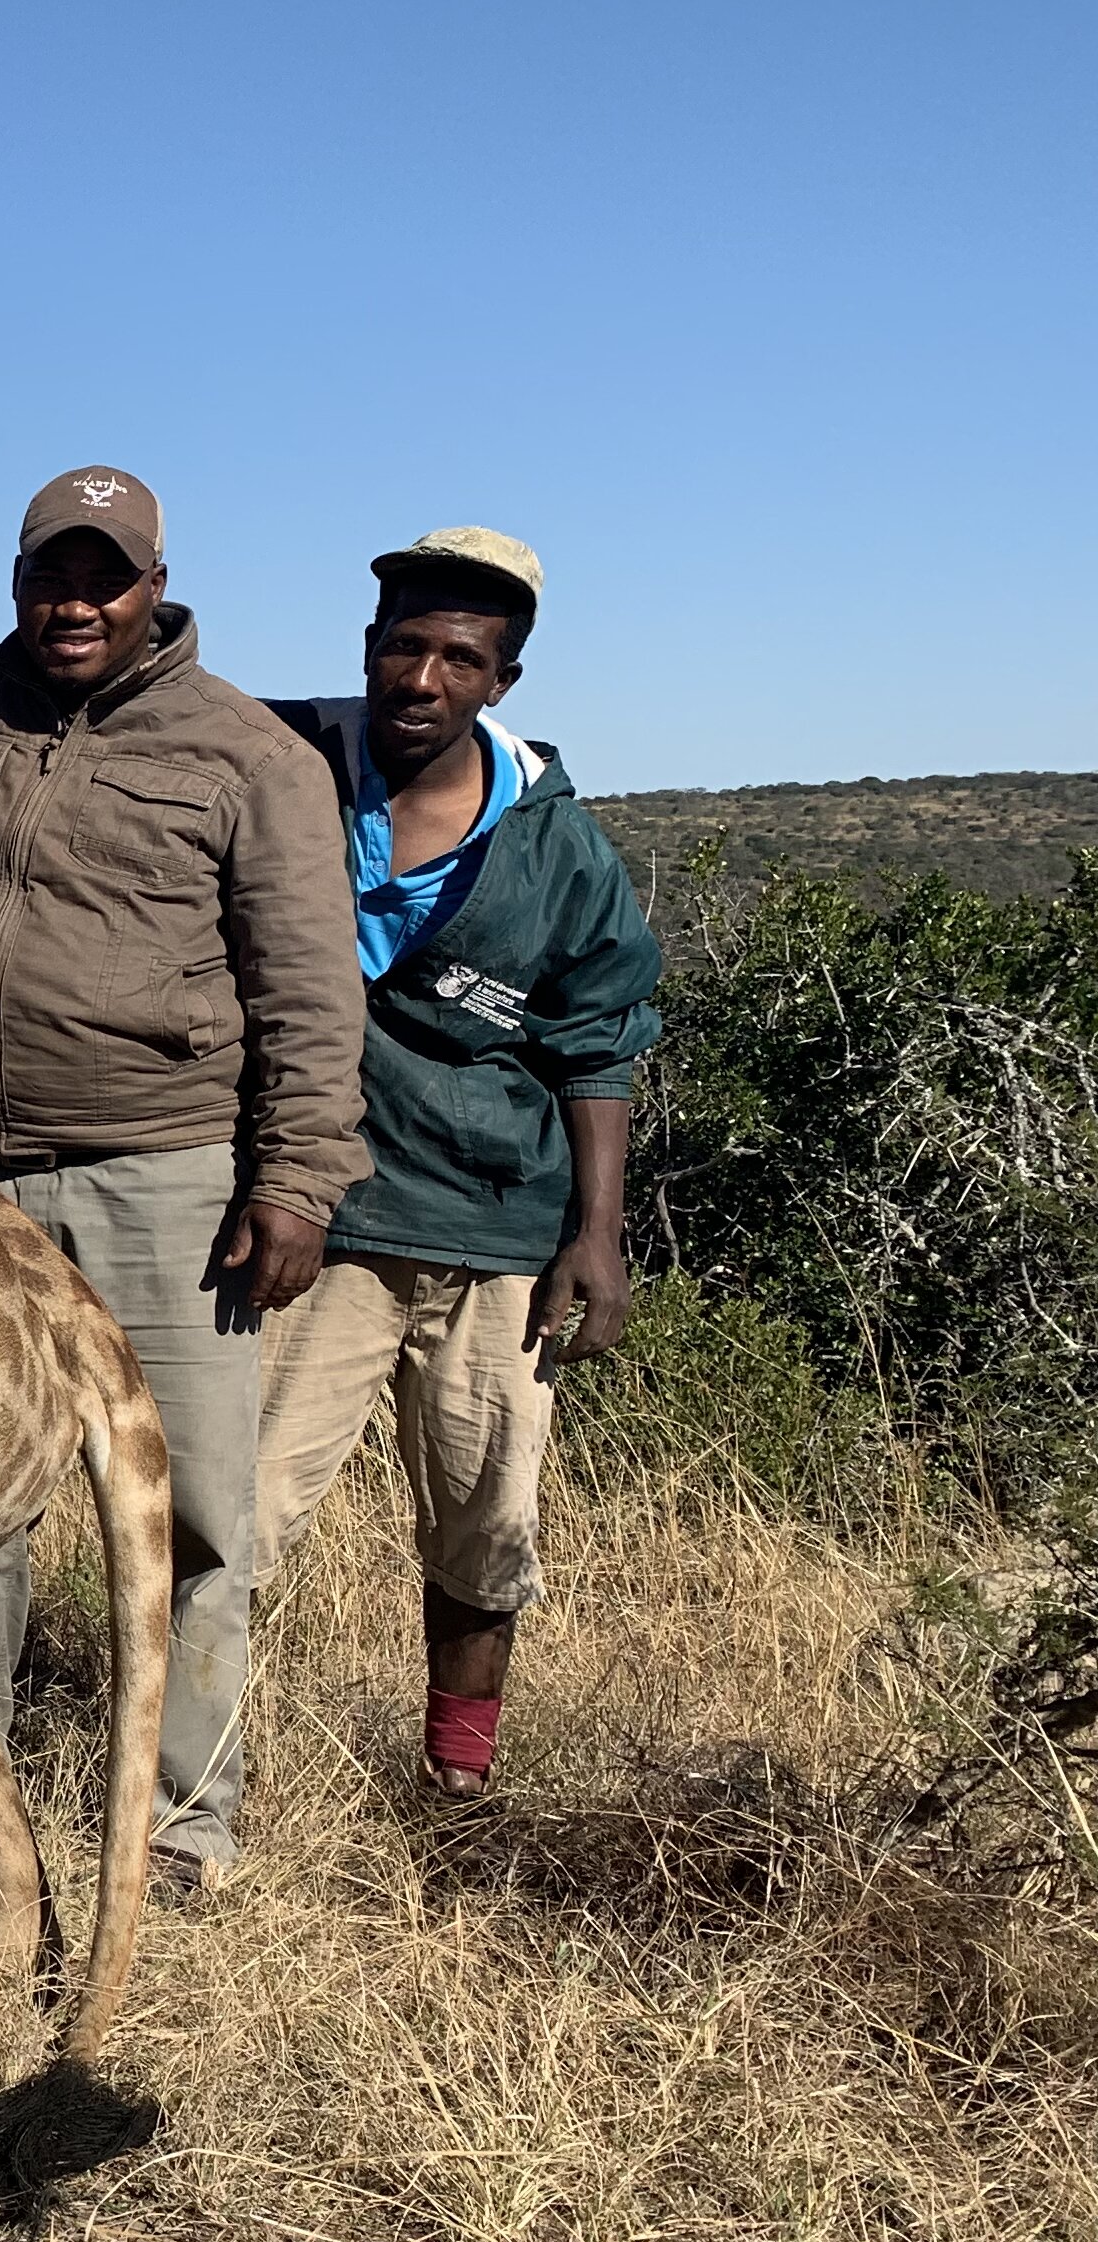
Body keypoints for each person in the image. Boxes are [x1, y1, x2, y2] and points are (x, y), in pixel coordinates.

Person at [0, 466, 366, 1899]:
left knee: (197, 1514)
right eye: (51, 573)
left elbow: (309, 994)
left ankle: (181, 1818)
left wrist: (293, 1182)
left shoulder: (253, 759)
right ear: (18, 577)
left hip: (161, 1177)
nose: (76, 601)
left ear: (157, 585)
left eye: (106, 576)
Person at [248, 529, 662, 1797]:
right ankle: (189, 1780)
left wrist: (596, 1233)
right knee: (239, 1514)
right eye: (403, 646)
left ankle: (456, 1784)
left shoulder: (553, 843)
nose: (422, 677)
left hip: (498, 1227)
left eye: (459, 657)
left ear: (503, 680)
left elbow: (600, 1036)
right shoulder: (292, 767)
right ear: (369, 650)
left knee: (487, 1532)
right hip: (323, 1219)